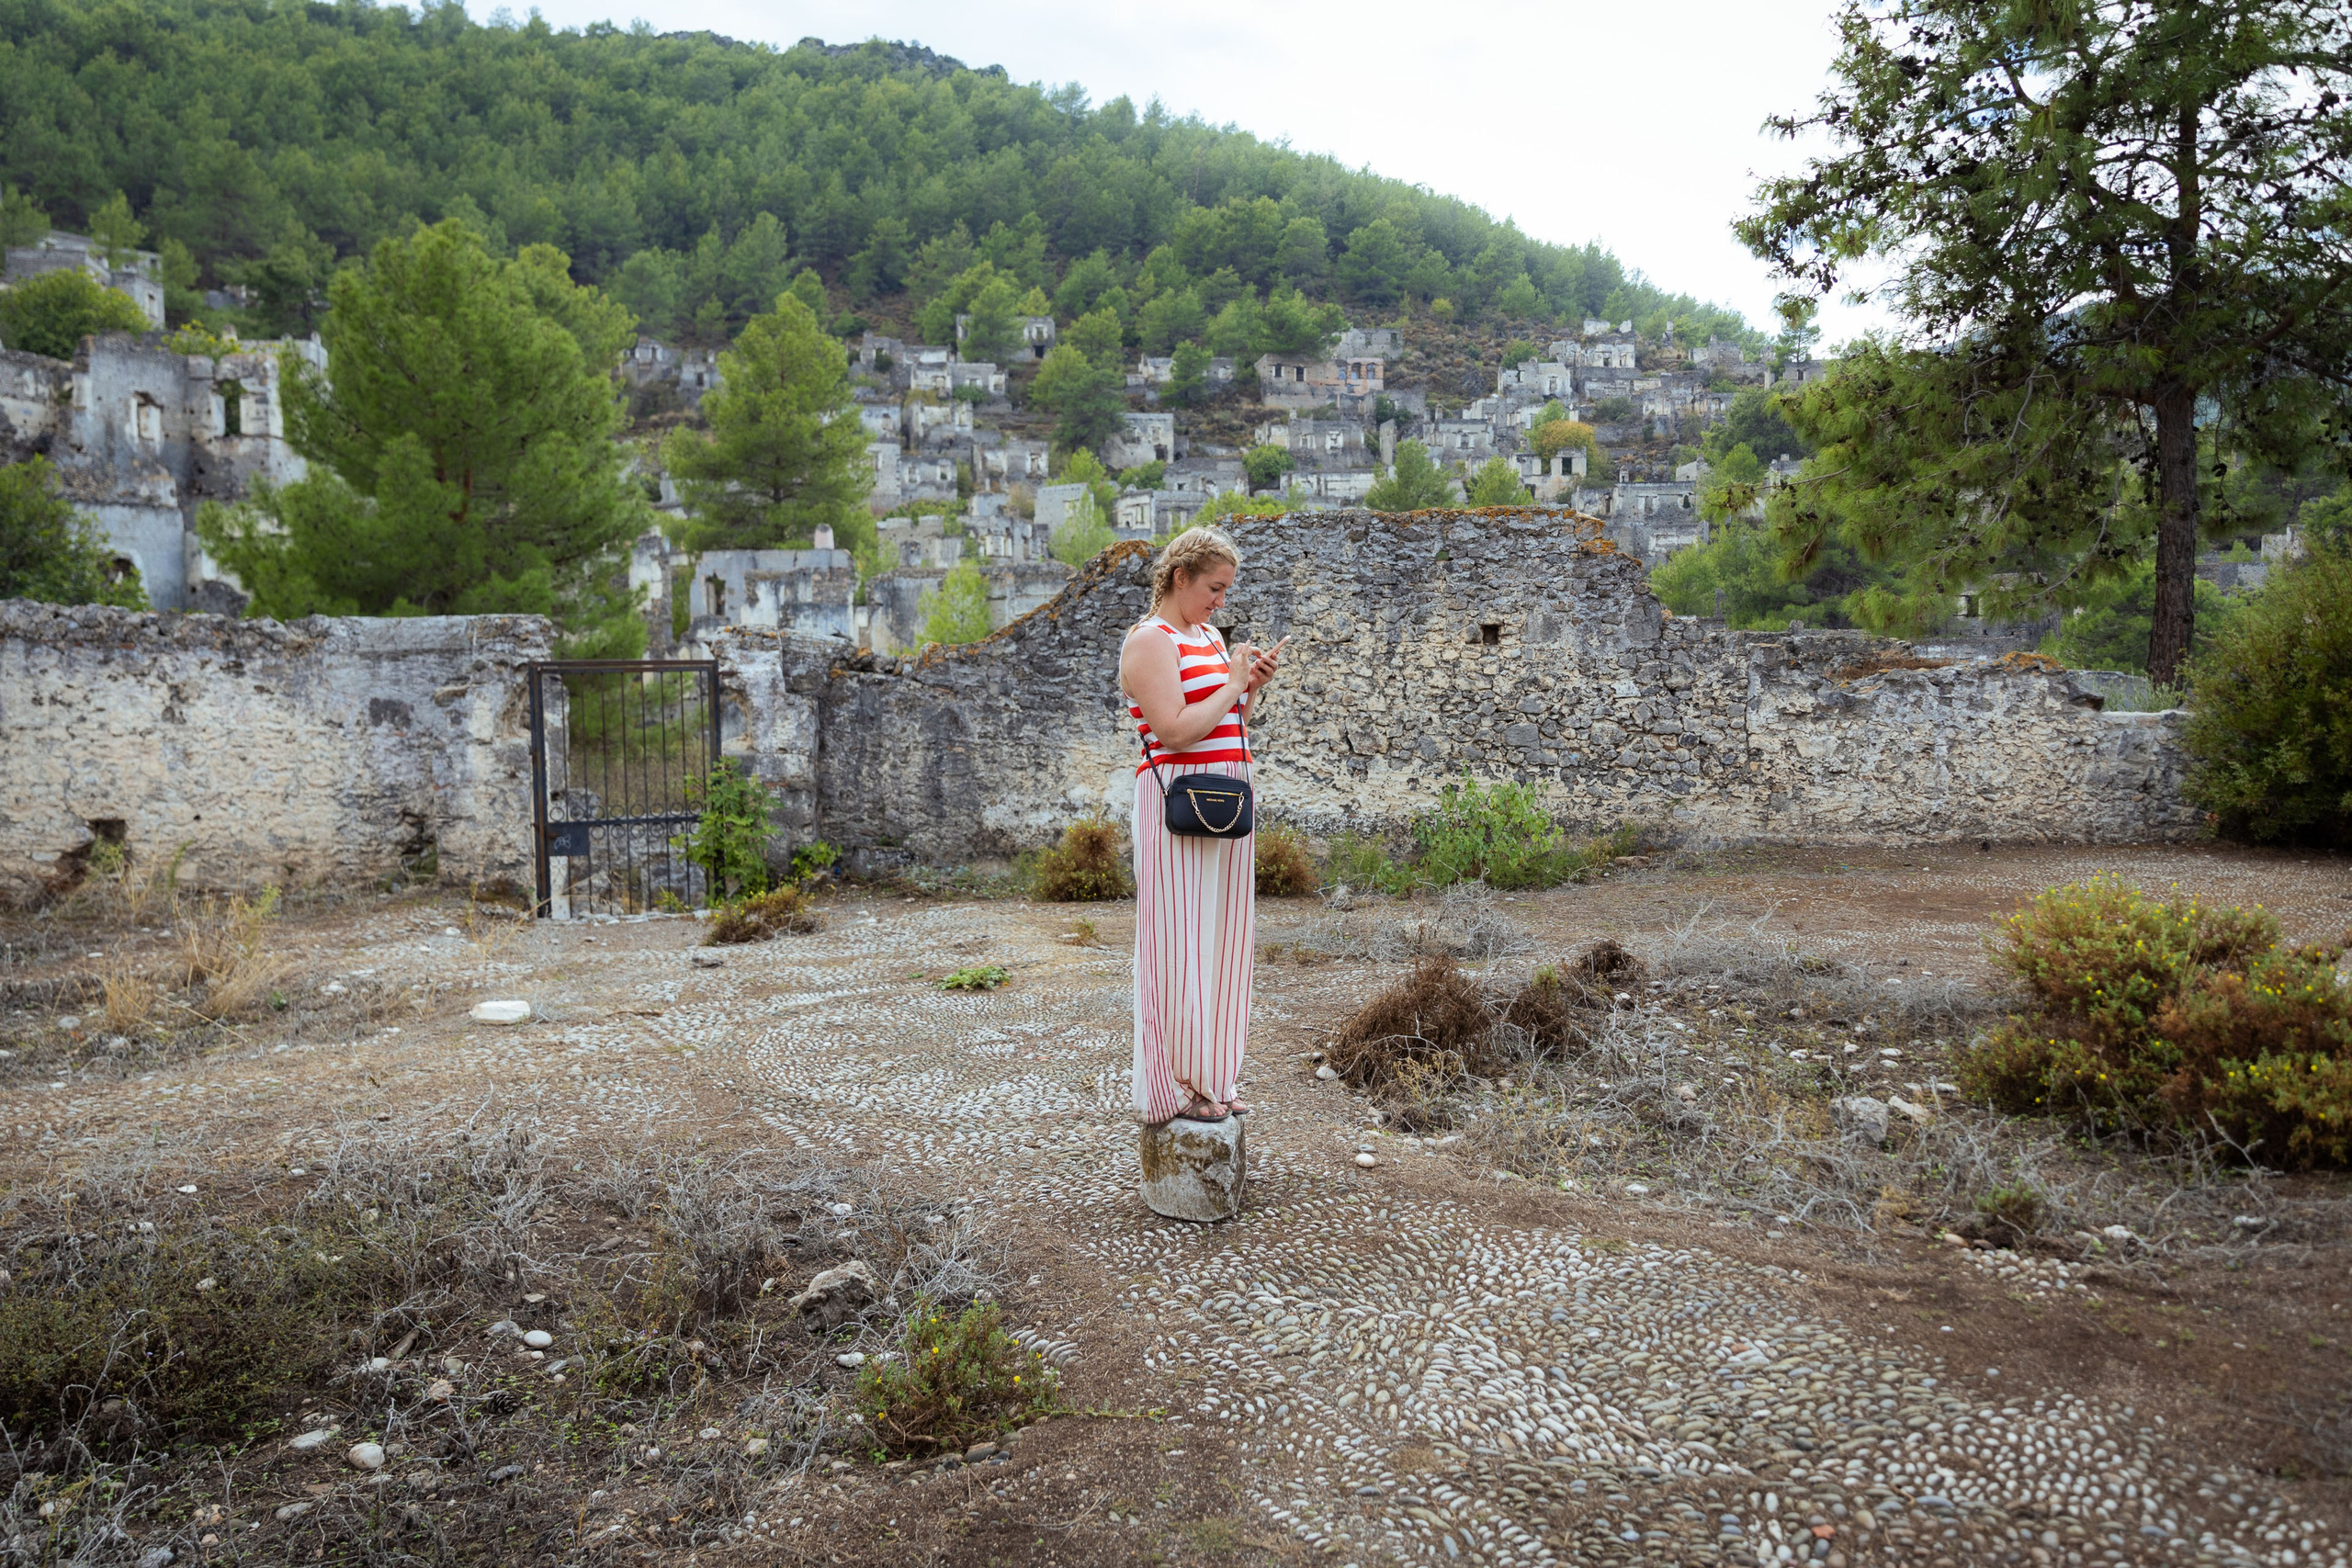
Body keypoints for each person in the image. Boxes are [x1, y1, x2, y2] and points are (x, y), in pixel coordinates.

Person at [1118, 525, 1283, 1125]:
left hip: (1228, 799)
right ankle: (1172, 1087)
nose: (1220, 601)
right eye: (1213, 587)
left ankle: (1213, 1073)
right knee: (1174, 944)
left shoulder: (1211, 636)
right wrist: (1234, 684)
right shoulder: (1148, 641)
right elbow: (1176, 730)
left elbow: (1225, 718)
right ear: (1181, 575)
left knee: (1222, 941)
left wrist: (1248, 690)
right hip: (1175, 803)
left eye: (1226, 590)